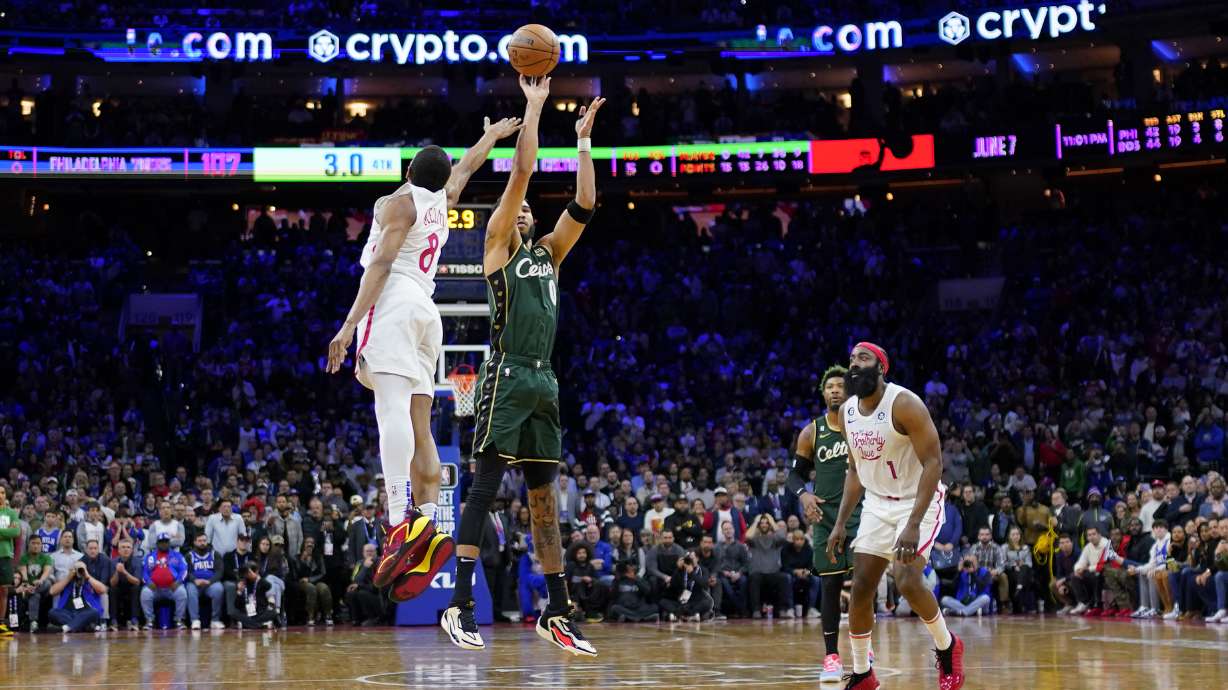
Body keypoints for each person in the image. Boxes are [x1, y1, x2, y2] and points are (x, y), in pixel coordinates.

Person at [326, 110, 524, 602]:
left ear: (410, 171)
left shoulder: (396, 203)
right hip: (426, 313)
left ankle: (397, 522)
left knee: (387, 412)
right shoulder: (442, 198)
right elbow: (465, 170)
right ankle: (430, 523)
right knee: (420, 425)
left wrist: (349, 326)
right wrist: (490, 137)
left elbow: (383, 263)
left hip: (392, 301)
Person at [441, 78, 605, 657]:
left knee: (544, 499)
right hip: (507, 374)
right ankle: (460, 604)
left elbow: (585, 205)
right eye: (522, 209)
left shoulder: (549, 255)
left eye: (533, 210)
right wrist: (536, 106)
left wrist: (583, 143)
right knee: (485, 486)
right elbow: (520, 175)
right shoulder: (497, 247)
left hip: (544, 379)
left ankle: (557, 612)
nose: (528, 210)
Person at [825, 343, 964, 690]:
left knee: (906, 579)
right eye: (852, 359)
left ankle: (948, 647)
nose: (854, 365)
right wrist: (840, 523)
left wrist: (914, 523)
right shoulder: (847, 413)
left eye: (863, 359)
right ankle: (862, 673)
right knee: (860, 588)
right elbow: (855, 471)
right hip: (876, 502)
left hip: (916, 500)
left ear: (881, 368)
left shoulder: (904, 404)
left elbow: (934, 463)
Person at [787, 364, 859, 681]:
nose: (834, 390)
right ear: (823, 392)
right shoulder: (812, 431)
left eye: (840, 386)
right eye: (829, 386)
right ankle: (831, 656)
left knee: (864, 584)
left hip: (862, 512)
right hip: (826, 515)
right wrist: (804, 495)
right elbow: (793, 475)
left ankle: (862, 650)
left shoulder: (862, 426)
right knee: (830, 585)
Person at [1069, 526, 1123, 616]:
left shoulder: (1106, 544)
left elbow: (1105, 564)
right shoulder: (1088, 547)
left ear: (1099, 535)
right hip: (1092, 571)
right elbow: (1081, 561)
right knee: (1074, 576)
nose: (1092, 537)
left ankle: (1097, 605)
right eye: (1089, 535)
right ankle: (1084, 603)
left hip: (1104, 571)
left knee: (1096, 576)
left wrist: (1087, 568)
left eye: (1094, 534)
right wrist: (1078, 569)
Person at [746, 514, 791, 618]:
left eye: (766, 523)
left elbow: (783, 537)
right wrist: (756, 521)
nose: (764, 525)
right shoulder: (754, 539)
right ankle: (756, 610)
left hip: (773, 573)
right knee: (754, 577)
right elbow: (747, 536)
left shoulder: (775, 539)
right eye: (762, 523)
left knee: (784, 578)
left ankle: (783, 610)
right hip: (758, 573)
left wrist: (772, 521)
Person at [140, 533, 188, 629]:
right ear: (157, 544)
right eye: (161, 542)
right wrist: (148, 582)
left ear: (169, 543)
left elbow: (184, 570)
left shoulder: (177, 556)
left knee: (182, 593)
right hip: (155, 588)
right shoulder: (150, 557)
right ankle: (149, 620)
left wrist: (178, 582)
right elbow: (144, 572)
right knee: (145, 593)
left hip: (172, 588)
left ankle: (179, 620)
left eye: (166, 542)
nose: (164, 544)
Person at [48, 560, 106, 633]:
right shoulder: (67, 581)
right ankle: (82, 626)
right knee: (52, 612)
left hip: (85, 612)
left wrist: (87, 576)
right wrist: (68, 577)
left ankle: (68, 627)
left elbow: (103, 590)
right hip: (68, 613)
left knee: (94, 612)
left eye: (81, 569)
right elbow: (52, 591)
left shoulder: (88, 581)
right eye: (76, 569)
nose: (79, 571)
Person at [184, 532, 225, 630]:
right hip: (195, 583)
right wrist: (195, 580)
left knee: (219, 589)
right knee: (190, 590)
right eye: (199, 541)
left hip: (210, 583)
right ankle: (195, 620)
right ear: (194, 542)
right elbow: (185, 572)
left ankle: (215, 620)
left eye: (204, 540)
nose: (202, 543)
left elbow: (220, 572)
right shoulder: (189, 555)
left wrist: (210, 581)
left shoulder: (215, 554)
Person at [660, 552, 713, 621]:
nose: (689, 560)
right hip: (682, 601)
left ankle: (679, 615)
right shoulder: (681, 570)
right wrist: (678, 569)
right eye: (688, 558)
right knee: (663, 601)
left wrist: (692, 573)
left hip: (696, 601)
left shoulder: (702, 570)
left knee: (708, 602)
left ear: (697, 559)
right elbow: (673, 585)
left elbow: (704, 584)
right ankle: (691, 615)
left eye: (692, 558)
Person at [16, 535, 53, 633]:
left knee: (48, 582)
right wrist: (27, 584)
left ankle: (33, 622)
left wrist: (40, 580)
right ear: (28, 545)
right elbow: (24, 574)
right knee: (35, 595)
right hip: (28, 589)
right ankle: (33, 622)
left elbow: (47, 571)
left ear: (41, 545)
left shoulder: (46, 557)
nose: (36, 546)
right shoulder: (24, 557)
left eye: (38, 543)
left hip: (42, 587)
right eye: (33, 543)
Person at [294, 536, 333, 626]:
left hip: (316, 581)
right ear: (303, 544)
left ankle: (328, 615)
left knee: (324, 588)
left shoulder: (318, 557)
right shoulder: (297, 557)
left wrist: (310, 579)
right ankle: (310, 616)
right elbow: (296, 574)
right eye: (307, 542)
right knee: (311, 588)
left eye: (312, 543)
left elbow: (323, 573)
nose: (309, 544)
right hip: (302, 582)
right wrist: (302, 561)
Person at [109, 538, 142, 631]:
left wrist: (124, 572)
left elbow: (137, 582)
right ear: (119, 550)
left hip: (132, 587)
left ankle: (134, 620)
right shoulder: (113, 562)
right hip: (119, 588)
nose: (126, 549)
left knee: (136, 588)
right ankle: (114, 620)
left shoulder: (137, 561)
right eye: (123, 547)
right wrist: (117, 572)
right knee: (112, 590)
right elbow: (112, 583)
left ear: (132, 550)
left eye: (128, 547)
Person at [346, 543, 383, 627]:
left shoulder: (380, 562)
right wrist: (365, 567)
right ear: (363, 553)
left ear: (376, 552)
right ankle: (356, 619)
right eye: (367, 551)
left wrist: (359, 586)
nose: (369, 553)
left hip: (377, 595)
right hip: (364, 590)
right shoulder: (359, 563)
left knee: (362, 593)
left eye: (371, 551)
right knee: (351, 593)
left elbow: (376, 586)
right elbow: (355, 580)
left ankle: (374, 618)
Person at [232, 563, 278, 630]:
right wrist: (239, 591)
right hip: (246, 613)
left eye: (249, 572)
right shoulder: (242, 583)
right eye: (246, 573)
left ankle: (246, 624)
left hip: (260, 612)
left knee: (273, 613)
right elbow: (237, 605)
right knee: (234, 614)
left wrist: (257, 577)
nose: (247, 575)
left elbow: (268, 586)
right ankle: (262, 625)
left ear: (256, 571)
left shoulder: (261, 582)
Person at [0, 485, 18, 636]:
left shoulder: (11, 513)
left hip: (5, 555)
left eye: (3, 492)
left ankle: (1, 624)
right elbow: (9, 532)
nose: (0, 495)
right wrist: (6, 533)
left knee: (4, 590)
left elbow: (15, 531)